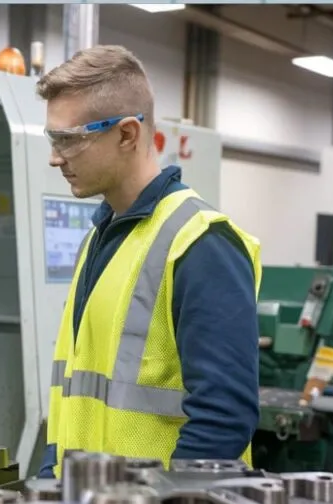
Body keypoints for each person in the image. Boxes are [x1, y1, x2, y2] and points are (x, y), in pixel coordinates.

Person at [35, 45, 262, 479]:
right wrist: (50, 483)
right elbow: (74, 398)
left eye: (69, 139)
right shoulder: (102, 236)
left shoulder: (200, 243)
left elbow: (224, 419)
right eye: (53, 138)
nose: (55, 156)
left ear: (126, 134)